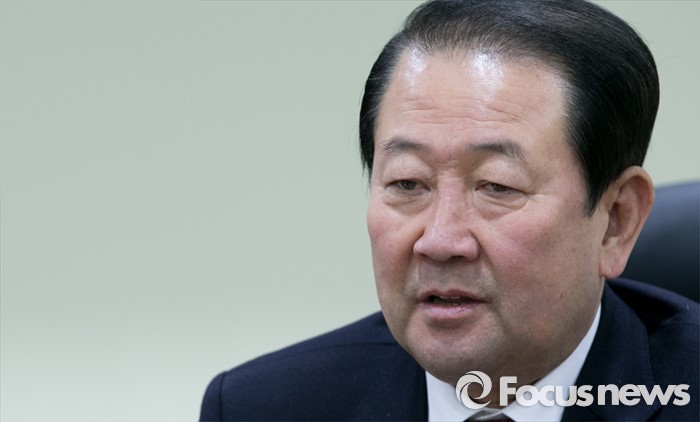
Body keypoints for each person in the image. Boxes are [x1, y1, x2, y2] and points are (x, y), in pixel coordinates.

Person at [200, 0, 699, 420]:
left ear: (616, 222)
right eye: (407, 183)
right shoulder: (262, 407)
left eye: (497, 186)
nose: (439, 241)